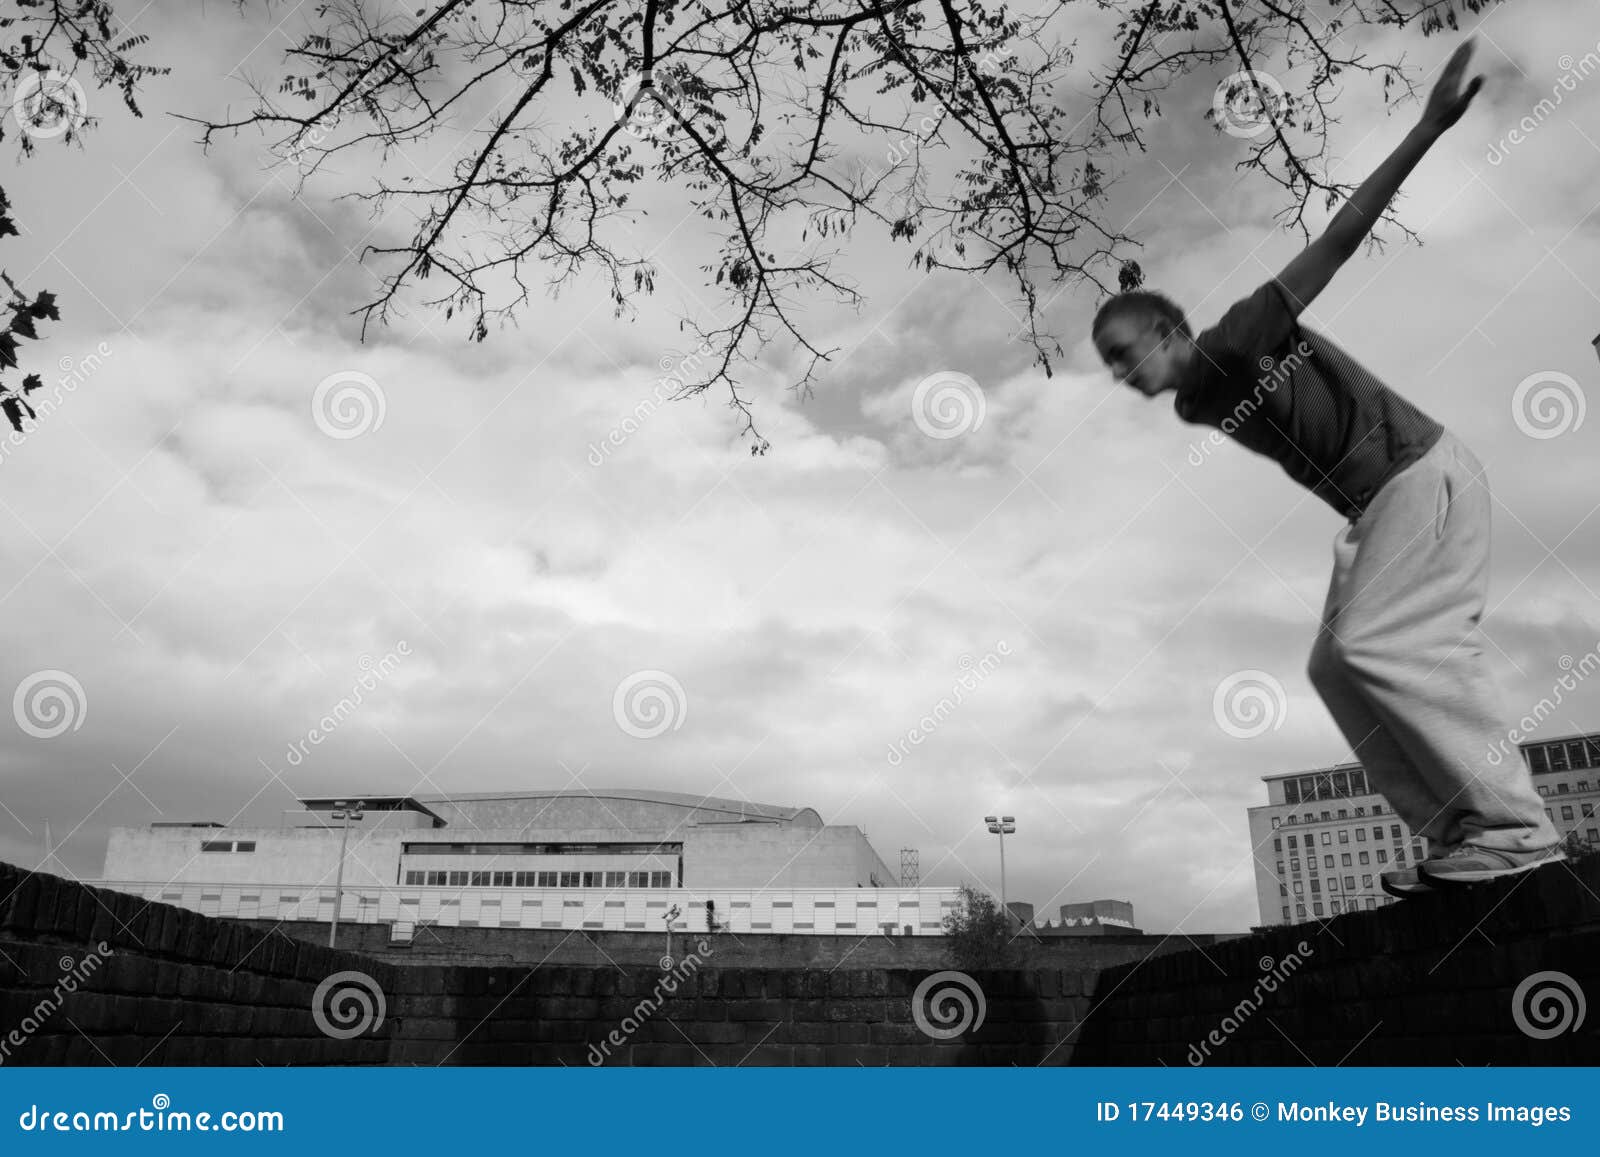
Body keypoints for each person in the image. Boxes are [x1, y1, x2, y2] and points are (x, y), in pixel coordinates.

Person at [1091, 37, 1563, 897]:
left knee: (1381, 641)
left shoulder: (1240, 333)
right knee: (1334, 664)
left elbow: (1341, 237)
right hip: (1377, 505)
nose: (1125, 376)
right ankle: (1459, 828)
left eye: (1129, 354)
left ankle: (1518, 826)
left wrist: (1427, 129)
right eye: (1112, 368)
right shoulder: (1197, 401)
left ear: (1172, 333)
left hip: (1420, 471)